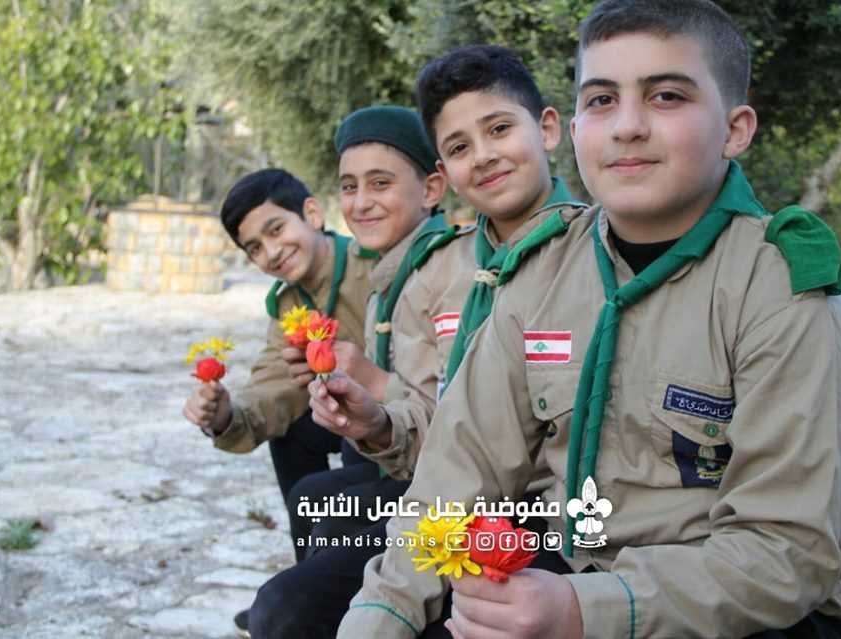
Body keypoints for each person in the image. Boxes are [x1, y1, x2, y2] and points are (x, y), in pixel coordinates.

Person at [337, 1, 841, 637]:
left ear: (735, 129)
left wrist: (580, 610)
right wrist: (386, 609)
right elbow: (460, 470)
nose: (627, 127)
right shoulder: (542, 271)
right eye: (601, 100)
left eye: (666, 96)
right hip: (576, 565)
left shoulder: (784, 290)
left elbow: (785, 556)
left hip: (750, 611)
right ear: (573, 128)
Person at [248, 49, 589, 639]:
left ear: (550, 129)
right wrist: (377, 422)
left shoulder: (594, 258)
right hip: (453, 497)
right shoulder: (445, 267)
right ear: (446, 169)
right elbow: (440, 424)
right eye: (459, 146)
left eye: (500, 129)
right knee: (293, 587)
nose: (483, 156)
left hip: (546, 514)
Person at [180, 168, 376, 636]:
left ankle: (321, 593)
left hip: (396, 426)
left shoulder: (374, 265)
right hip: (347, 422)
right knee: (290, 432)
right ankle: (305, 580)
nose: (270, 252)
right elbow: (274, 381)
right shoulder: (290, 303)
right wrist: (225, 415)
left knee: (331, 484)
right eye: (254, 248)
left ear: (312, 213)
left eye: (276, 230)